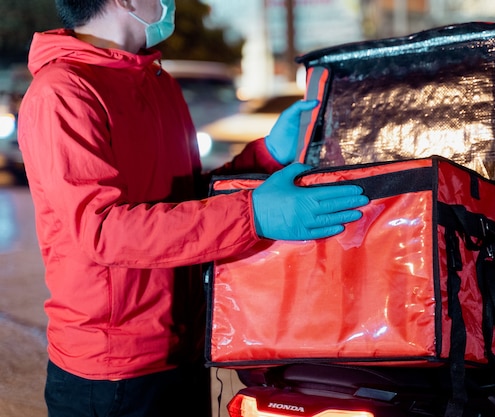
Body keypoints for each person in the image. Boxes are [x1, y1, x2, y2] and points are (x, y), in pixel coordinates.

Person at [17, 0, 369, 415]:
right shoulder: (64, 92)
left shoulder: (154, 81)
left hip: (183, 344)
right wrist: (251, 214)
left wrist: (267, 156)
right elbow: (103, 231)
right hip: (113, 370)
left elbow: (185, 199)